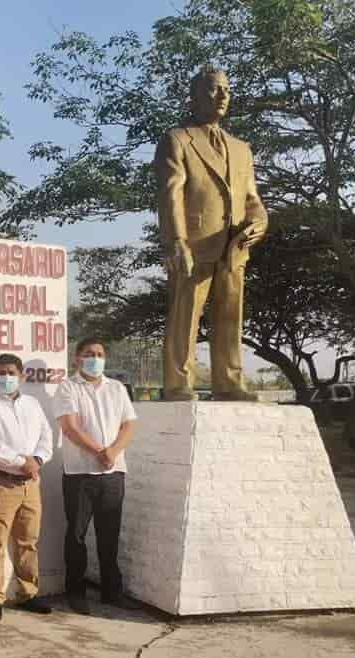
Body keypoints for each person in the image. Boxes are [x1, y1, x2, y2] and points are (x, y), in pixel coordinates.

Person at [155, 65, 268, 401]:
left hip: (234, 247)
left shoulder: (242, 149)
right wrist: (177, 242)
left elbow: (253, 201)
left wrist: (259, 222)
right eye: (214, 89)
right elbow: (171, 193)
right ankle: (178, 383)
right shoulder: (177, 139)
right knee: (184, 315)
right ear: (194, 97)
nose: (222, 96)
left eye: (227, 90)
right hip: (194, 244)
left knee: (231, 317)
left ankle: (229, 382)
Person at [55, 338, 140, 615]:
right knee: (77, 536)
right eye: (89, 354)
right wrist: (100, 451)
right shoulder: (67, 387)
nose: (95, 358)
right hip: (80, 474)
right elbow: (70, 427)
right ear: (77, 358)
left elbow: (129, 424)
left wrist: (113, 452)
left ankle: (111, 592)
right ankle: (76, 592)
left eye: (100, 354)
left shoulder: (116, 388)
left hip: (113, 473)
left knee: (109, 535)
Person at [0, 354, 54, 621]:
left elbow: (46, 436)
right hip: (0, 483)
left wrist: (38, 460)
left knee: (27, 541)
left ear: (22, 376)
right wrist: (24, 463)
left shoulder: (32, 403)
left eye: (11, 372)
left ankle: (27, 593)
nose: (7, 377)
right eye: (2, 372)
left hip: (31, 484)